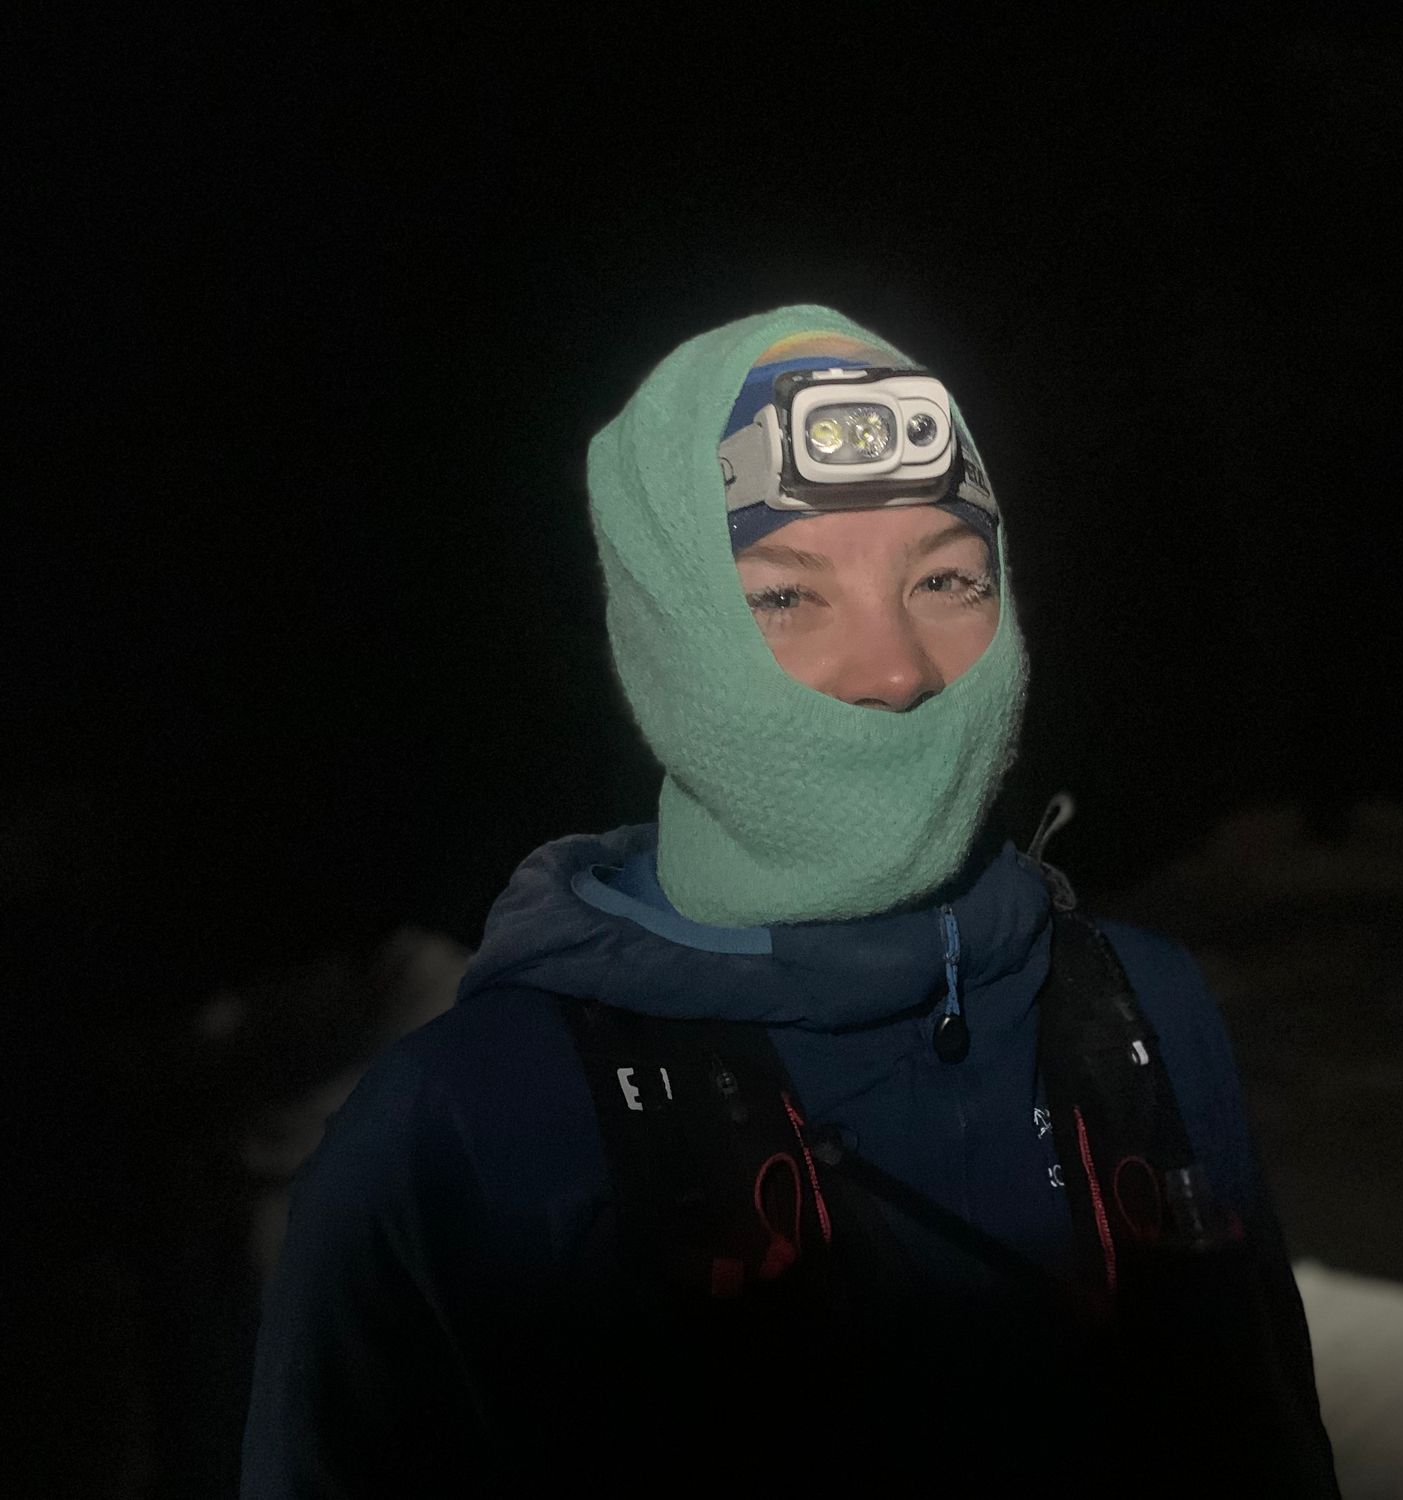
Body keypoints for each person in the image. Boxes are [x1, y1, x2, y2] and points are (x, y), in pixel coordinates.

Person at [240, 305, 1341, 1495]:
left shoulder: (1140, 1019)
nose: (895, 670)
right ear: (666, 627)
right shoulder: (458, 1129)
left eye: (946, 577)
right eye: (784, 597)